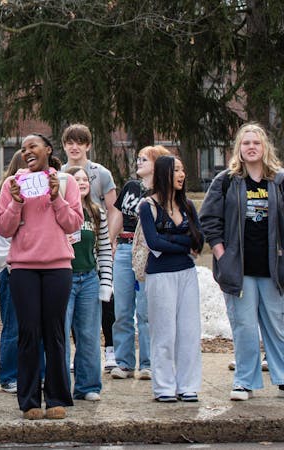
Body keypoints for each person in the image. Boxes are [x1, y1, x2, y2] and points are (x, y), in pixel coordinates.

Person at [0, 134, 83, 420]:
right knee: (28, 333)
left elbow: (74, 223)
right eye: (23, 149)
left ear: (48, 150)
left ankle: (56, 397)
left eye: (33, 146)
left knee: (55, 333)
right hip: (23, 268)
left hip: (58, 266)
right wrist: (16, 202)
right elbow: (3, 228)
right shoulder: (12, 184)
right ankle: (29, 400)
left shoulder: (66, 182)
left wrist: (56, 198)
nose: (27, 151)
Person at [200, 123, 284, 401]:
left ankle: (282, 377)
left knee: (278, 325)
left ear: (265, 147)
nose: (251, 147)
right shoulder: (226, 181)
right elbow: (209, 220)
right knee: (245, 327)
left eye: (256, 143)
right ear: (239, 148)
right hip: (239, 270)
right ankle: (244, 382)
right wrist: (222, 255)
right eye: (246, 143)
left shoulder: (279, 180)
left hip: (273, 269)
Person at [139, 155, 203, 402]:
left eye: (183, 170)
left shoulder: (188, 205)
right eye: (176, 170)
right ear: (164, 173)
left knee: (188, 331)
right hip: (160, 275)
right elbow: (154, 242)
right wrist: (184, 243)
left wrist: (174, 241)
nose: (182, 175)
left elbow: (199, 240)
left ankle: (188, 386)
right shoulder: (148, 206)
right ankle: (164, 387)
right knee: (164, 332)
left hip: (186, 273)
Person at [107, 145, 170, 380]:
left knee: (146, 310)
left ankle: (148, 363)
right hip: (124, 248)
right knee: (122, 310)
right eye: (138, 158)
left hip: (148, 251)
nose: (139, 162)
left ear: (157, 164)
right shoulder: (131, 187)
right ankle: (124, 363)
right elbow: (118, 214)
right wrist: (110, 242)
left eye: (145, 159)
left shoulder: (163, 193)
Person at [61, 124, 118, 370]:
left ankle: (110, 350)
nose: (75, 147)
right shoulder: (59, 174)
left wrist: (108, 240)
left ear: (88, 145)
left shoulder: (101, 173)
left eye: (80, 142)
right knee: (70, 315)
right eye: (70, 143)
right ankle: (74, 357)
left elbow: (113, 209)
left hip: (95, 240)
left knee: (104, 303)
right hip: (69, 254)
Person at [63, 166, 113, 402]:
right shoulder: (60, 209)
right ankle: (60, 386)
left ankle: (88, 386)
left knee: (89, 335)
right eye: (76, 179)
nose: (82, 182)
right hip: (64, 277)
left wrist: (106, 282)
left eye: (85, 179)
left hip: (89, 279)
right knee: (61, 334)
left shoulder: (96, 212)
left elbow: (104, 249)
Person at [0, 151, 26, 394]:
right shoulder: (5, 195)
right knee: (13, 324)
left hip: (35, 267)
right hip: (11, 269)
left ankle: (35, 372)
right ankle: (9, 375)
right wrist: (9, 263)